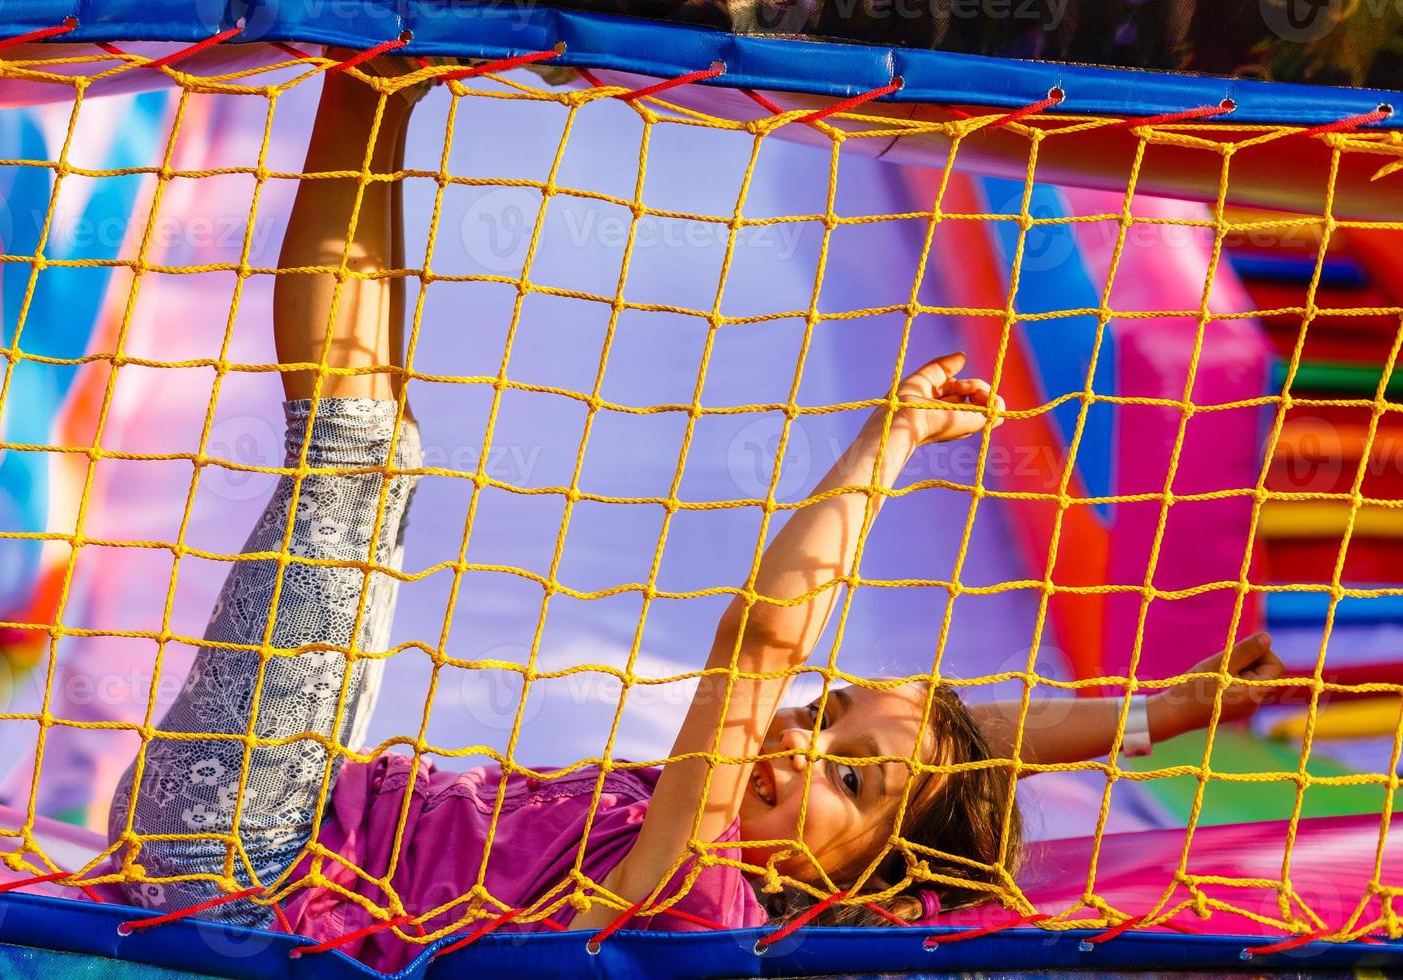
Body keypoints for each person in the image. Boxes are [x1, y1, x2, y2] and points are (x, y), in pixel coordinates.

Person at [108, 54, 1286, 971]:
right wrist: (1156, 714)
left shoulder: (695, 898)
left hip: (238, 856)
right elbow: (962, 735)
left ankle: (373, 64)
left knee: (352, 459)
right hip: (294, 806)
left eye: (849, 778)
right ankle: (385, 76)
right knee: (382, 454)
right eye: (825, 718)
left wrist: (894, 439)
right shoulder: (735, 827)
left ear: (845, 888)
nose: (800, 737)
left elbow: (761, 641)